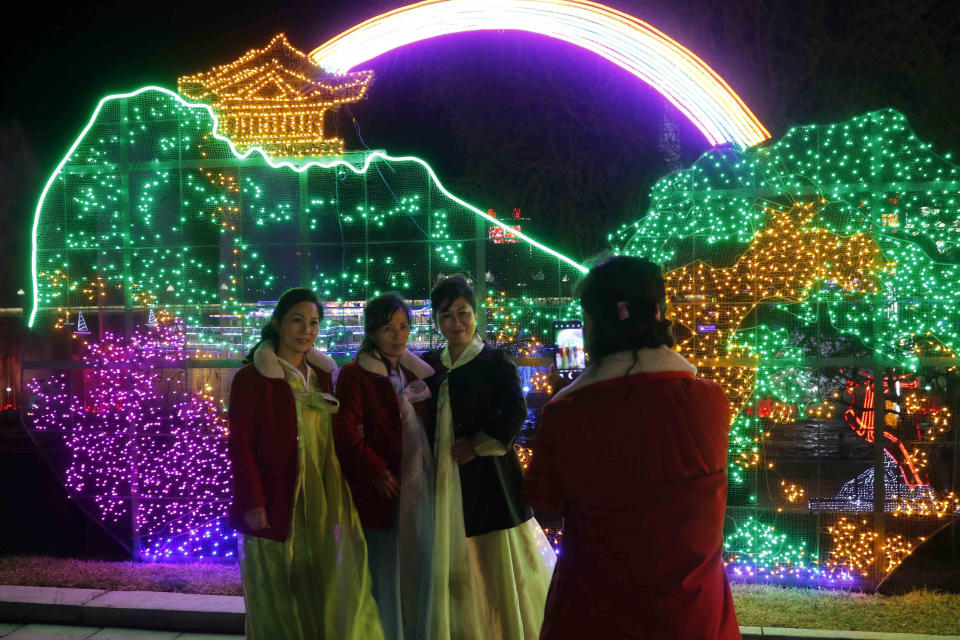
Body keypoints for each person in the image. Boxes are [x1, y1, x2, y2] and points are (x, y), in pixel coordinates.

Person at [522, 256, 740, 640]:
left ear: (594, 322)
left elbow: (544, 496)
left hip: (598, 613)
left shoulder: (569, 412)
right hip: (696, 616)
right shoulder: (710, 400)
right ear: (659, 313)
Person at [227, 287, 383, 640]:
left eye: (313, 322)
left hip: (323, 498)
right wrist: (254, 502)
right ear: (278, 323)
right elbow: (241, 446)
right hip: (276, 496)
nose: (306, 330)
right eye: (297, 320)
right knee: (276, 590)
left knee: (321, 584)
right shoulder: (253, 378)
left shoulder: (323, 374)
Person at [422, 275, 556, 640]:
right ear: (436, 320)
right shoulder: (429, 365)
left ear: (475, 314)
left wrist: (476, 445)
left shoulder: (496, 362)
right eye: (446, 315)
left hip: (489, 481)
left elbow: (515, 414)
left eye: (463, 312)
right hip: (440, 480)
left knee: (493, 559)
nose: (456, 323)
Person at [334, 293, 436, 640]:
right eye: (388, 327)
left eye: (404, 326)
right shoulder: (354, 375)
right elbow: (345, 433)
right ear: (372, 332)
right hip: (382, 487)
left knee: (412, 563)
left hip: (416, 483)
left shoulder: (411, 371)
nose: (398, 335)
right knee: (382, 567)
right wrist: (375, 471)